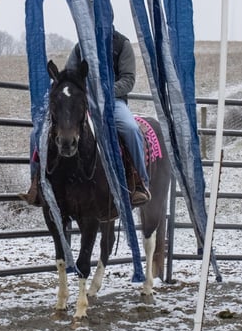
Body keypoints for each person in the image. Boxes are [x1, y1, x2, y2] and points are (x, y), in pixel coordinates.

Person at [19, 29, 152, 207]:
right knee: (37, 134)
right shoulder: (80, 46)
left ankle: (139, 183)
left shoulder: (122, 45)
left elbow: (128, 80)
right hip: (81, 101)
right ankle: (36, 183)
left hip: (113, 101)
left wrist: (104, 93)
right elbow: (69, 74)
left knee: (131, 129)